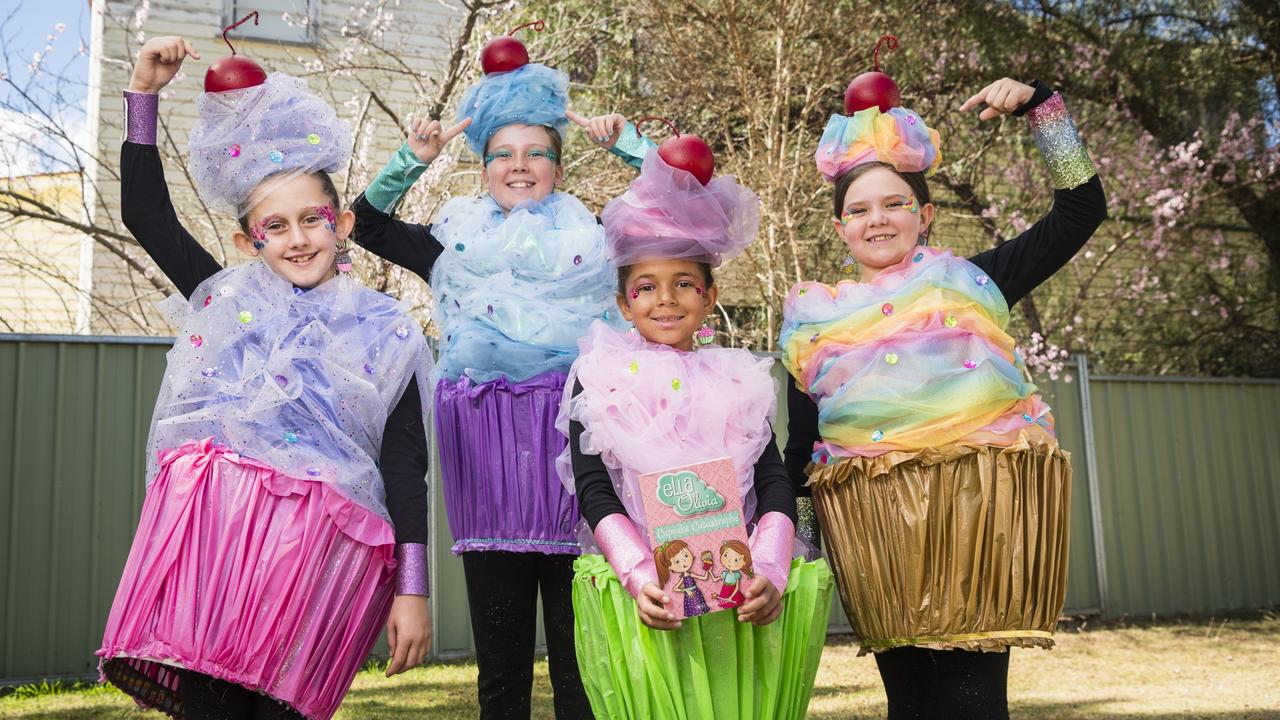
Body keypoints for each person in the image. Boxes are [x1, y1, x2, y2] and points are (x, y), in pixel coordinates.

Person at [97, 36, 433, 720]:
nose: (298, 238)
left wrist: (414, 587)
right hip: (218, 557)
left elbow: (404, 467)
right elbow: (146, 216)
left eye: (313, 219)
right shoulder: (226, 303)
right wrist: (144, 93)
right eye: (274, 227)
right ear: (250, 240)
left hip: (314, 567)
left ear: (341, 224)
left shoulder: (387, 332)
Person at [781, 75, 1107, 719]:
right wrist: (800, 557)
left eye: (895, 203)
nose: (878, 219)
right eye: (860, 209)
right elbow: (804, 450)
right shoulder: (813, 321)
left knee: (972, 698)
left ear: (924, 214)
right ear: (840, 227)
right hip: (873, 530)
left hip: (976, 516)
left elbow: (1081, 211)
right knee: (910, 702)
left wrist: (1043, 109)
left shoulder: (973, 282)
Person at [349, 50, 654, 718]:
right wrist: (413, 157)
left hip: (581, 473)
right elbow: (364, 223)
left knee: (586, 675)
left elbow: (676, 198)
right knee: (502, 677)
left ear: (560, 165)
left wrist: (627, 144)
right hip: (488, 473)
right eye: (503, 154)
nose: (519, 165)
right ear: (483, 167)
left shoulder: (601, 238)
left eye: (537, 152)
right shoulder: (450, 244)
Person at [559, 139, 834, 719]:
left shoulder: (739, 381)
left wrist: (770, 567)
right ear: (623, 301)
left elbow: (774, 480)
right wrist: (638, 575)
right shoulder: (601, 376)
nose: (666, 299)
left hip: (738, 599)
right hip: (646, 595)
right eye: (646, 286)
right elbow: (594, 487)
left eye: (684, 282)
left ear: (710, 296)